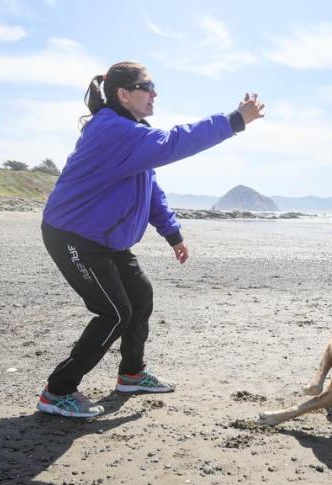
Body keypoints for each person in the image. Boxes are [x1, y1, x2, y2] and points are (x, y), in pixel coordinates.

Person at [37, 61, 265, 418]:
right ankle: (58, 391)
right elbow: (176, 141)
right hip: (74, 235)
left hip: (105, 239)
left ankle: (131, 373)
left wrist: (172, 233)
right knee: (113, 312)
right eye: (149, 86)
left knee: (140, 296)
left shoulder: (131, 131)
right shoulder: (113, 130)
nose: (155, 93)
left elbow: (151, 188)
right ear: (123, 94)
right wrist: (234, 120)